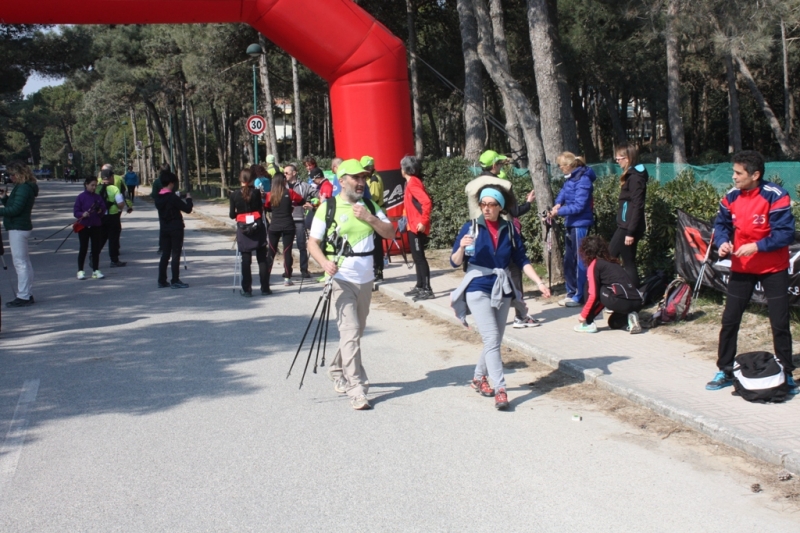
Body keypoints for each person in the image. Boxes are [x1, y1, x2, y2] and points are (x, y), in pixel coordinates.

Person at [450, 185, 551, 410]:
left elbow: (522, 260)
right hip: (477, 286)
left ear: (500, 207)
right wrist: (461, 248)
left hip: (502, 287)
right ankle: (501, 389)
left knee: (493, 340)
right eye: (483, 204)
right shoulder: (471, 227)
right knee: (492, 338)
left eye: (491, 204)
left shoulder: (510, 229)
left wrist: (539, 282)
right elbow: (454, 261)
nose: (486, 209)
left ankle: (478, 378)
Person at [307, 159, 395, 410]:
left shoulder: (369, 205)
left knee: (355, 332)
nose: (361, 182)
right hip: (341, 280)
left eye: (363, 178)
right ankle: (357, 388)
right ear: (342, 180)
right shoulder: (329, 208)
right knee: (350, 331)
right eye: (356, 178)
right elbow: (313, 243)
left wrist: (369, 218)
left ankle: (336, 367)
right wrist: (324, 263)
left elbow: (389, 233)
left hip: (366, 279)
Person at [707, 150, 798, 393]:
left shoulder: (776, 196)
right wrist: (723, 242)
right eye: (733, 172)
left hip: (773, 268)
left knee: (779, 322)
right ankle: (725, 369)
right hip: (742, 269)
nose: (734, 177)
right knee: (729, 320)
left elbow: (785, 234)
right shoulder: (730, 197)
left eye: (738, 173)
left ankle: (786, 372)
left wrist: (757, 246)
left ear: (755, 175)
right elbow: (721, 225)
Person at [474, 149, 540, 328]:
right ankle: (520, 315)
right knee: (515, 273)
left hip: (479, 237)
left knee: (485, 274)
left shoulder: (472, 185)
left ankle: (486, 316)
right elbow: (514, 211)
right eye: (501, 164)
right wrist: (528, 203)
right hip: (502, 235)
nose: (502, 166)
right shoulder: (502, 185)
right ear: (495, 165)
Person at [550, 152, 596, 307]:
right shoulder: (571, 178)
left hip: (580, 224)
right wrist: (558, 203)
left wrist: (559, 212)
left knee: (580, 261)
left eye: (561, 166)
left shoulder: (584, 180)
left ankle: (580, 295)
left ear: (569, 166)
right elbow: (564, 192)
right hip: (570, 223)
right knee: (569, 260)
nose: (560, 168)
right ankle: (571, 292)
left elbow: (579, 205)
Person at [573, 235, 643, 334]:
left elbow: (593, 294)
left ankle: (588, 323)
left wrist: (584, 315)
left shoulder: (595, 264)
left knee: (591, 285)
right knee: (613, 323)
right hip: (637, 302)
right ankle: (631, 316)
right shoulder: (613, 262)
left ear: (586, 251)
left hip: (621, 301)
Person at [0, 161, 39, 307]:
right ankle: (26, 292)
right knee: (24, 262)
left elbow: (15, 210)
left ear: (18, 174)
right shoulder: (23, 187)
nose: (10, 178)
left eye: (12, 174)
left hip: (18, 227)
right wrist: (4, 198)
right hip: (20, 226)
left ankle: (23, 295)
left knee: (20, 263)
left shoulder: (23, 188)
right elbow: (13, 206)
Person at [609, 144, 647, 287]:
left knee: (610, 257)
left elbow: (638, 205)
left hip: (628, 227)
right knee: (628, 260)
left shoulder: (635, 178)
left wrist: (630, 232)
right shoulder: (631, 175)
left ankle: (628, 294)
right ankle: (632, 293)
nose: (617, 161)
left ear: (628, 158)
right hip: (626, 225)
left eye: (619, 158)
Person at [230, 169, 270, 296]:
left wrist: (240, 214)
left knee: (246, 260)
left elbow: (231, 215)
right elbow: (260, 208)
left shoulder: (234, 194)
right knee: (262, 259)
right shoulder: (257, 193)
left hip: (243, 229)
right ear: (252, 179)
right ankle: (265, 288)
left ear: (240, 179)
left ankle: (247, 289)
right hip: (257, 226)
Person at [400, 155, 434, 301]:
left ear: (405, 169)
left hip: (417, 226)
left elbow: (426, 202)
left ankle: (427, 288)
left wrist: (423, 221)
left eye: (402, 167)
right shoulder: (410, 182)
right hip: (412, 224)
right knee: (416, 256)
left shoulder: (413, 183)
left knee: (420, 258)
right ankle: (420, 285)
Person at [264, 172, 305, 286]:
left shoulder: (270, 195)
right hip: (288, 225)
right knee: (287, 251)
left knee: (271, 252)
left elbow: (267, 208)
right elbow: (301, 201)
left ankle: (266, 278)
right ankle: (287, 278)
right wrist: (291, 206)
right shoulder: (290, 192)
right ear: (284, 181)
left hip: (274, 226)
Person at [154, 171, 192, 289]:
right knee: (175, 254)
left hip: (164, 228)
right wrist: (189, 199)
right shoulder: (172, 197)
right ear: (171, 183)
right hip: (175, 227)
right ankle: (175, 280)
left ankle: (162, 280)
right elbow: (187, 209)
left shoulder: (158, 197)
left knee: (165, 255)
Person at [284, 163, 316, 278]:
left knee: (301, 246)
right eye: (284, 173)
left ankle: (304, 269)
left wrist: (312, 204)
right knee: (287, 247)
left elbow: (317, 194)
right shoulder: (282, 186)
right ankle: (287, 270)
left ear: (294, 173)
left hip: (299, 219)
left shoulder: (304, 186)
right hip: (286, 220)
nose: (285, 175)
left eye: (287, 172)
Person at [73, 176, 107, 280]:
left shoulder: (98, 197)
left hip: (96, 226)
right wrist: (82, 214)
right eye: (92, 185)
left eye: (95, 186)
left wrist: (100, 211)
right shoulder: (81, 197)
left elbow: (103, 209)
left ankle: (95, 270)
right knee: (83, 248)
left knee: (95, 249)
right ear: (86, 185)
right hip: (83, 226)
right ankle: (80, 271)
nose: (94, 187)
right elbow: (76, 211)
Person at [97, 168, 129, 267]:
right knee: (113, 239)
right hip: (113, 216)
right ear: (111, 178)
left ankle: (93, 254)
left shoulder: (97, 189)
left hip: (101, 217)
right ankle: (114, 260)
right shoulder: (114, 189)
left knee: (101, 238)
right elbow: (120, 204)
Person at [361, 155, 386, 284]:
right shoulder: (369, 178)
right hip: (372, 213)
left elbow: (373, 199)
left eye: (367, 168)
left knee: (376, 245)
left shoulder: (374, 180)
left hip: (375, 213)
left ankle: (378, 271)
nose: (365, 170)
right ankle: (374, 270)